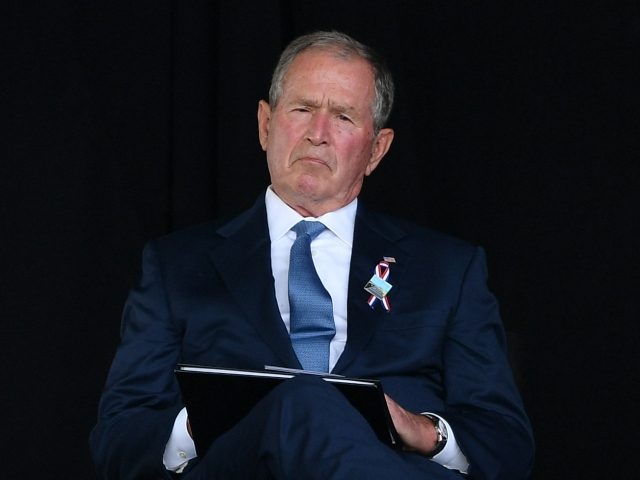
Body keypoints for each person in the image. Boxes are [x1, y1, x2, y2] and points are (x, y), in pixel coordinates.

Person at [90, 30, 534, 479]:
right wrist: (204, 422)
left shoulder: (447, 270)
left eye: (342, 117)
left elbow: (506, 447)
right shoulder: (176, 267)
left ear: (376, 149)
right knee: (301, 401)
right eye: (302, 109)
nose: (317, 135)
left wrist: (427, 432)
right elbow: (118, 440)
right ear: (265, 125)